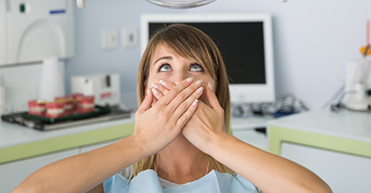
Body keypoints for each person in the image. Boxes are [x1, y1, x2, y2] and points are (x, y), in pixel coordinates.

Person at [13, 24, 332, 193]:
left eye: (195, 67)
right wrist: (140, 144)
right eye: (164, 67)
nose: (179, 80)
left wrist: (215, 141)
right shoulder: (114, 184)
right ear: (144, 89)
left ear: (215, 90)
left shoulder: (248, 181)